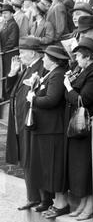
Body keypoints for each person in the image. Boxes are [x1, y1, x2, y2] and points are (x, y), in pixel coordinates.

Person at [64, 38, 93, 220]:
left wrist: (68, 88)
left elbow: (83, 100)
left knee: (90, 165)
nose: (76, 60)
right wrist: (70, 84)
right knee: (81, 166)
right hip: (80, 124)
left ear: (88, 57)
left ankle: (90, 205)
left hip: (91, 125)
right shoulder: (83, 71)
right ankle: (83, 202)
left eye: (79, 56)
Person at [28, 45, 70, 218]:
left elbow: (52, 100)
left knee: (54, 167)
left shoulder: (58, 74)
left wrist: (34, 98)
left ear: (53, 60)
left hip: (53, 129)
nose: (43, 60)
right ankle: (54, 202)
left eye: (45, 57)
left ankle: (62, 203)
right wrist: (35, 85)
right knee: (47, 167)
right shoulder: (51, 74)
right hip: (45, 129)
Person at [5, 37, 47, 210]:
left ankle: (42, 198)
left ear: (32, 52)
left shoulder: (41, 67)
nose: (19, 55)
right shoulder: (27, 68)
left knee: (33, 158)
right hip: (21, 119)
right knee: (25, 158)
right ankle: (33, 196)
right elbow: (11, 92)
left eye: (22, 52)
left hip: (33, 120)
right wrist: (13, 73)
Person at [0, 4, 19, 87]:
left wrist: (3, 49)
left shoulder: (13, 24)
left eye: (6, 13)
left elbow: (12, 41)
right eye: (3, 13)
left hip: (10, 53)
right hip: (5, 53)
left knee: (9, 73)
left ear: (11, 14)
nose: (4, 15)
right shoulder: (5, 23)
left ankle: (9, 93)